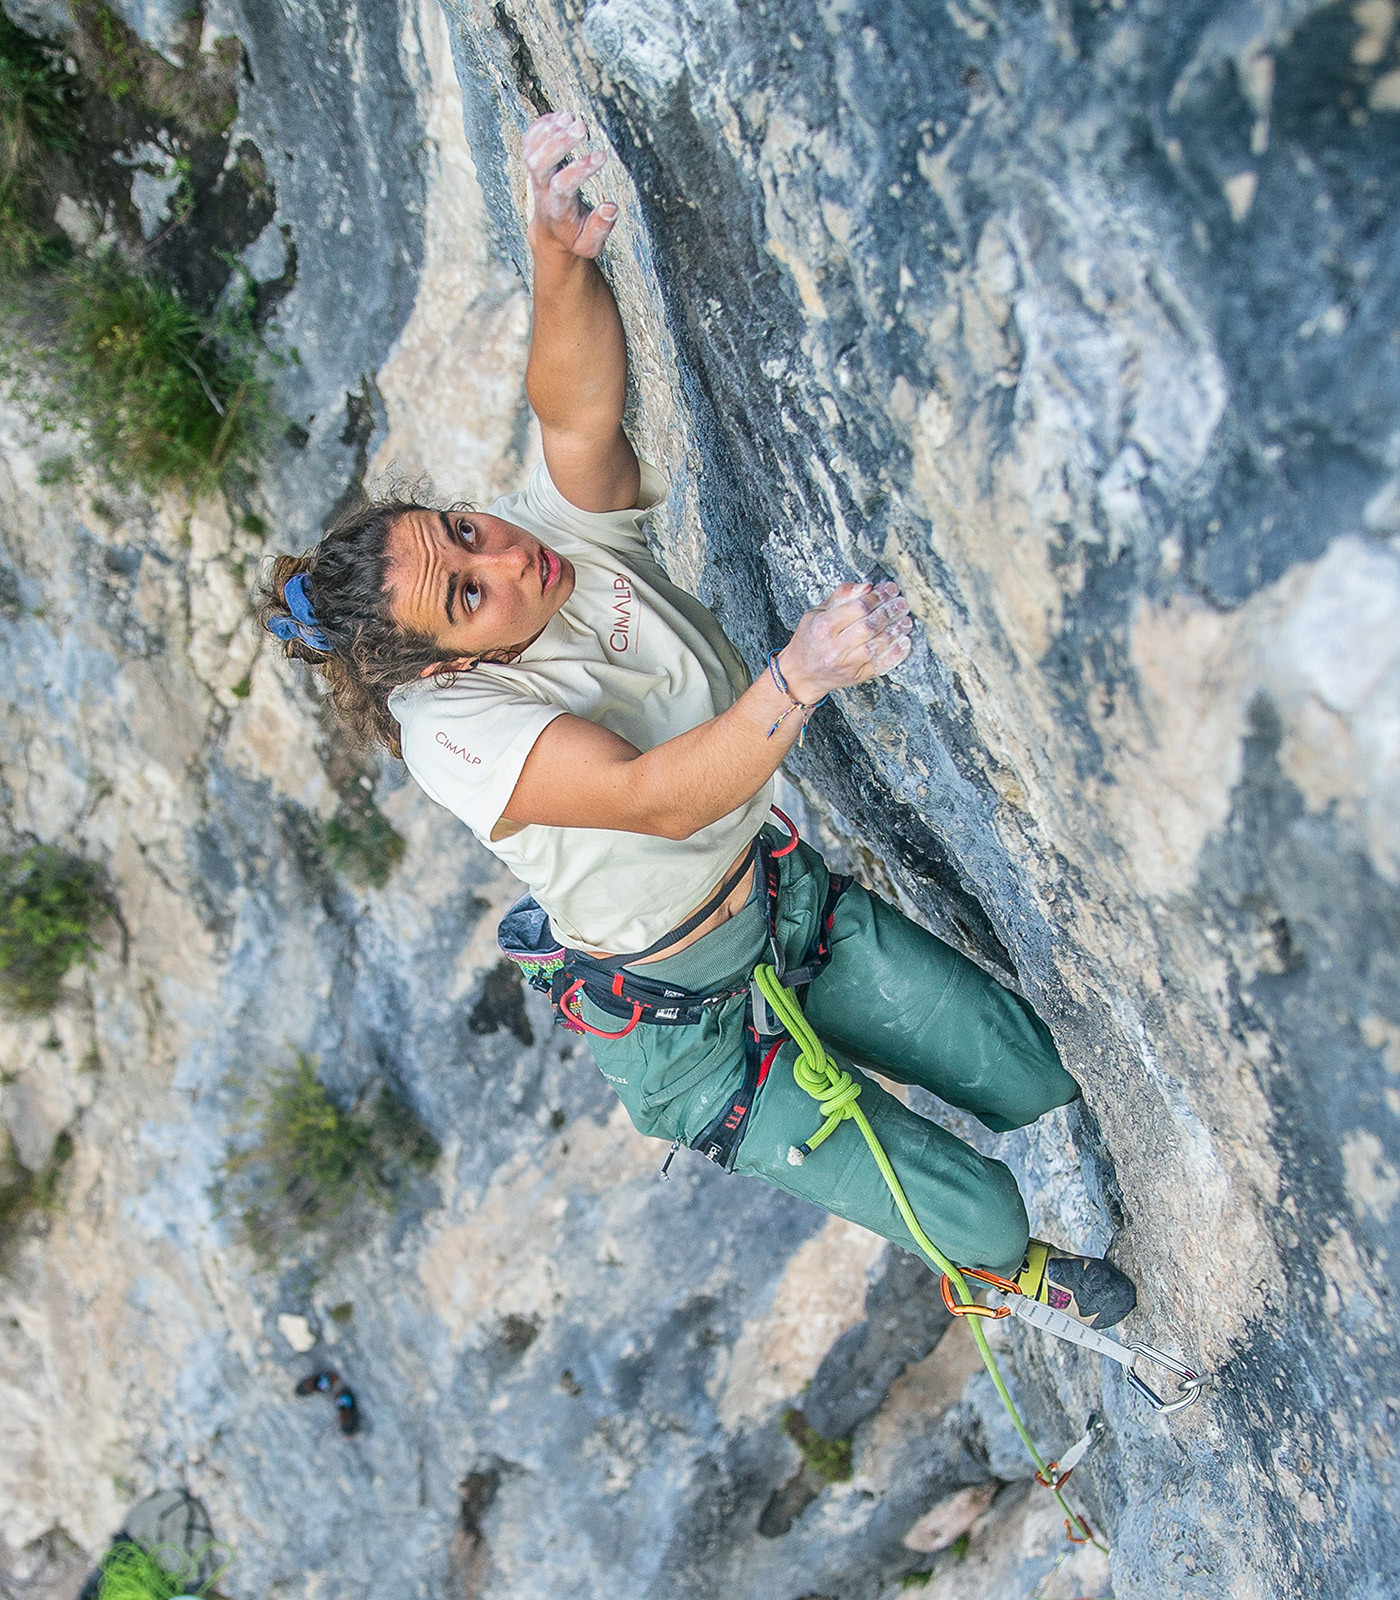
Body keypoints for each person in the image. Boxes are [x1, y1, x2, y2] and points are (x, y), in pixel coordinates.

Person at [261, 112, 1135, 1330]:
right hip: (685, 1033)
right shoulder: (450, 731)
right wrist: (800, 674)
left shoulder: (545, 548)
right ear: (435, 661)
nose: (503, 560)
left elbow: (573, 419)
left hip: (772, 901)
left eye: (463, 530)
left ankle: (1032, 1192)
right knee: (971, 1209)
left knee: (1017, 1058)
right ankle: (1012, 1279)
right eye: (467, 593)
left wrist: (554, 255)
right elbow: (652, 797)